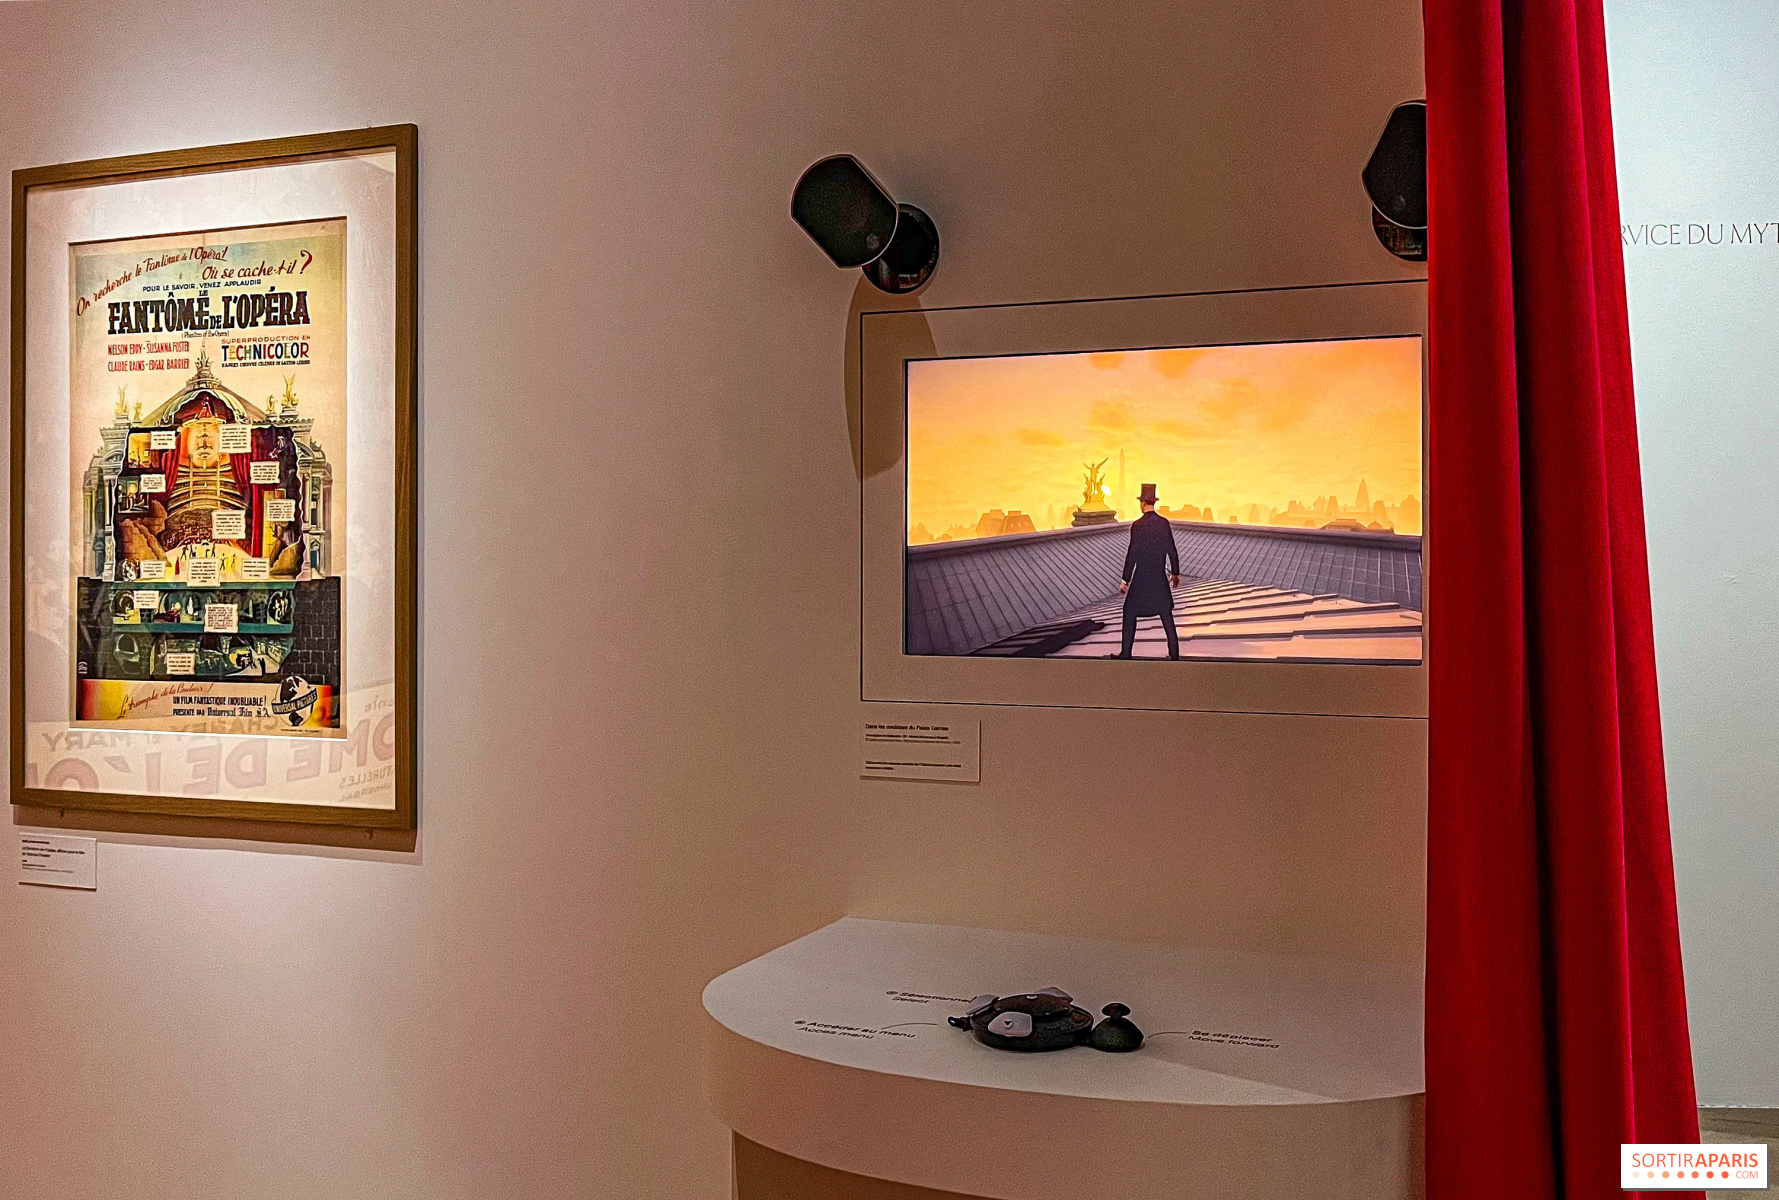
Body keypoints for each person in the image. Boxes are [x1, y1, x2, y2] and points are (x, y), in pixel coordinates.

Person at [1116, 483, 1181, 659]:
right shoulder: (1163, 523)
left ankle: (1126, 654)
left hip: (1141, 579)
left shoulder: (1137, 526)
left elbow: (1132, 554)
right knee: (1166, 614)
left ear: (1142, 503)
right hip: (1159, 577)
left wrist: (1125, 580)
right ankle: (1174, 654)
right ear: (1154, 502)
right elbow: (1172, 549)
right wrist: (1175, 573)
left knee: (1129, 612)